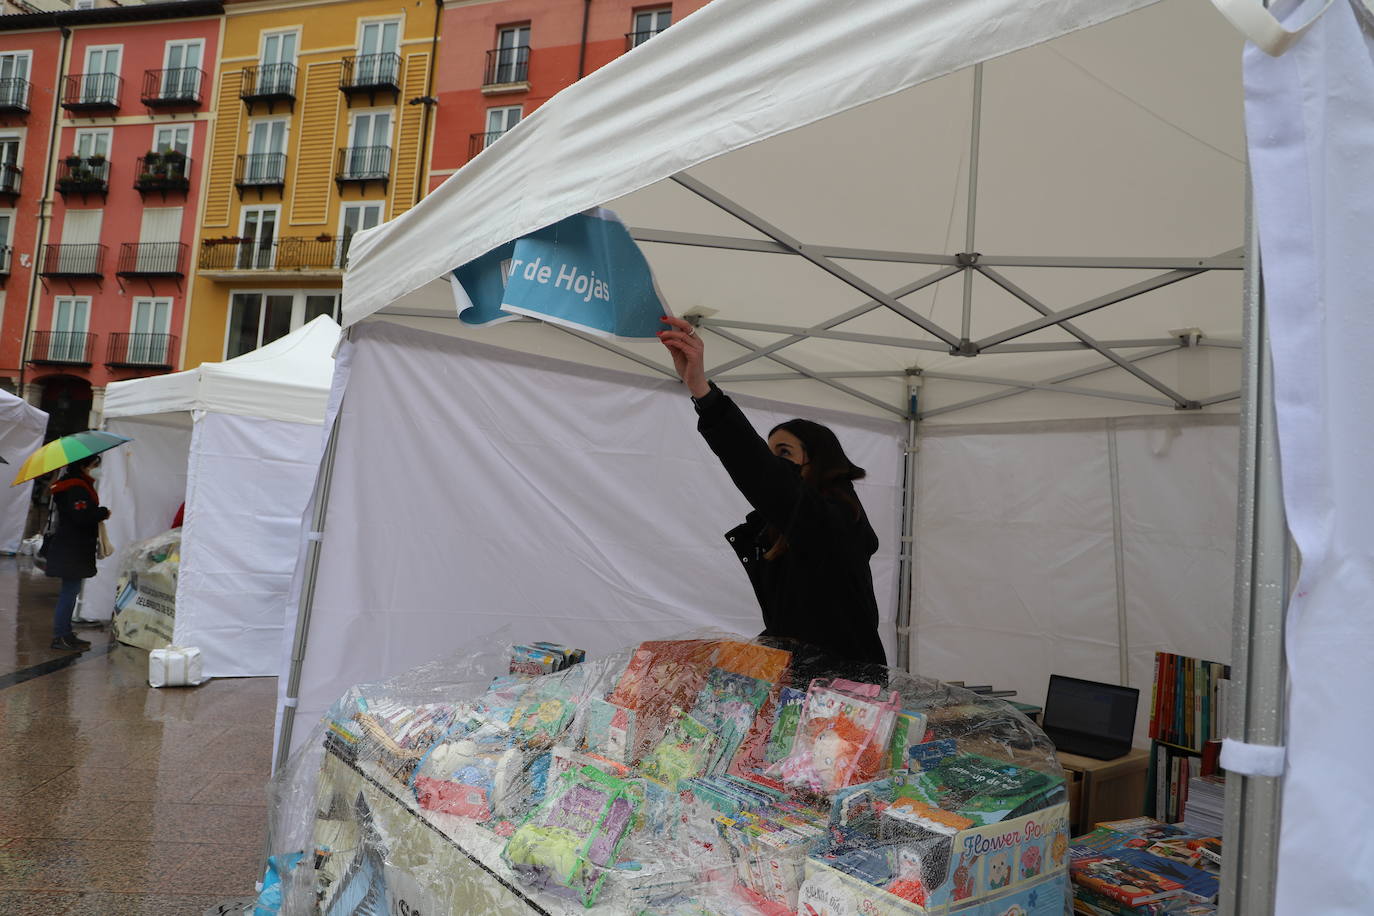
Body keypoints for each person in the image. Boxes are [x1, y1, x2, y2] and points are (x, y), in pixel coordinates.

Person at [658, 316, 888, 666]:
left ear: (819, 461)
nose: (775, 465)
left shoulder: (835, 520)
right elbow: (792, 626)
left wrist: (703, 392)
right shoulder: (778, 533)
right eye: (770, 455)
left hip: (844, 695)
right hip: (800, 688)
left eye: (784, 454)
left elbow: (764, 476)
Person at [44, 455, 110, 651]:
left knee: (71, 592)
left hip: (72, 546)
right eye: (93, 465)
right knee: (69, 592)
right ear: (83, 466)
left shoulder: (71, 484)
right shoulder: (76, 488)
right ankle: (60, 636)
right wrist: (102, 512)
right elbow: (80, 517)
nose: (95, 469)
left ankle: (65, 633)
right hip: (72, 548)